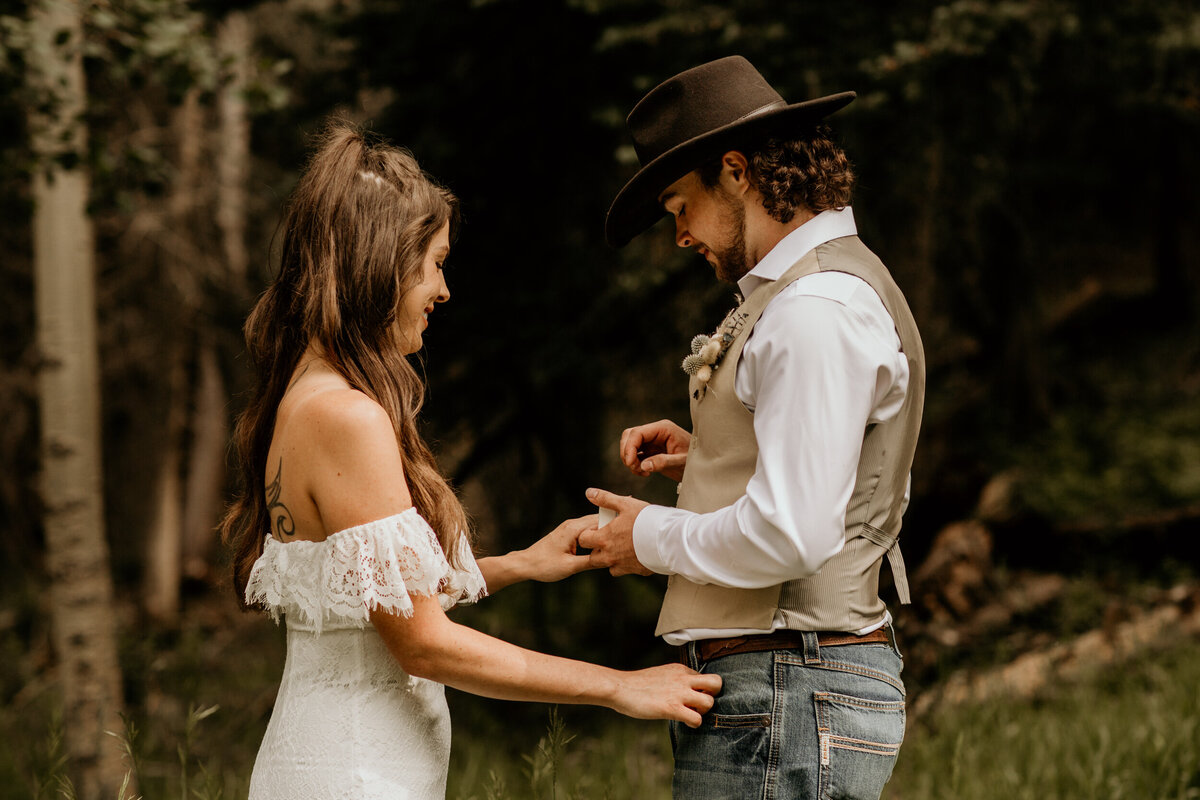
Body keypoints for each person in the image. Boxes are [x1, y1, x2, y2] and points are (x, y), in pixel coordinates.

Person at [219, 123, 721, 800]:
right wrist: (619, 686)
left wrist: (517, 567)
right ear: (381, 263)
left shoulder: (305, 398)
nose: (443, 288)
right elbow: (422, 643)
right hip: (353, 778)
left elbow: (371, 606)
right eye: (434, 262)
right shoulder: (346, 416)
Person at [579, 56, 925, 799]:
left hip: (789, 688)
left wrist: (646, 538)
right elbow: (827, 466)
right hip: (785, 690)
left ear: (735, 172)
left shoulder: (813, 310)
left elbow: (790, 534)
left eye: (679, 207)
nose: (678, 236)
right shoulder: (811, 297)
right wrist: (712, 458)